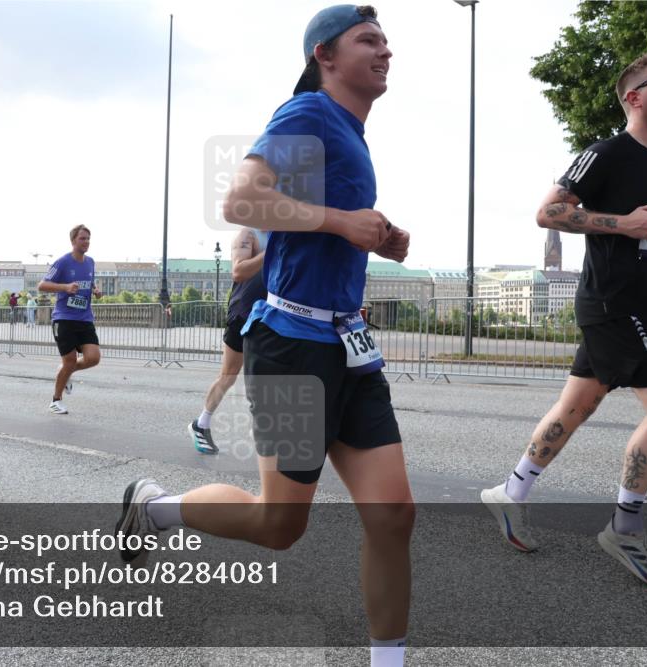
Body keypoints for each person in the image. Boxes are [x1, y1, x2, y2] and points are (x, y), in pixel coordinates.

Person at [116, 7, 414, 666]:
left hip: (350, 349)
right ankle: (155, 508)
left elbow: (309, 227)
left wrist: (382, 236)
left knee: (394, 516)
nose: (385, 50)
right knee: (280, 525)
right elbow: (240, 201)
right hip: (292, 350)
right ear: (324, 56)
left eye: (387, 40)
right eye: (369, 39)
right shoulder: (305, 113)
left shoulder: (352, 131)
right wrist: (341, 221)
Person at [481, 51, 647, 588]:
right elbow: (549, 211)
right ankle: (626, 529)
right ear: (636, 97)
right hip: (611, 305)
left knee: (578, 405)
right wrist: (622, 221)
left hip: (637, 306)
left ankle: (510, 493)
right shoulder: (606, 153)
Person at [188, 227, 268, 454]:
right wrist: (271, 252)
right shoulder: (248, 235)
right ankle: (201, 424)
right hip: (244, 312)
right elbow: (238, 271)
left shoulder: (284, 233)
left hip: (273, 314)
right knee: (229, 375)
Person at [38, 225, 103, 414]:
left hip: (84, 318)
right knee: (69, 361)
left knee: (93, 358)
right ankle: (56, 401)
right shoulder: (63, 262)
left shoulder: (90, 262)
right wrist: (65, 287)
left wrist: (95, 290)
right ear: (73, 241)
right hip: (64, 318)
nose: (86, 242)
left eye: (88, 239)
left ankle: (67, 373)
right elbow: (42, 285)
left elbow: (89, 283)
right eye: (83, 238)